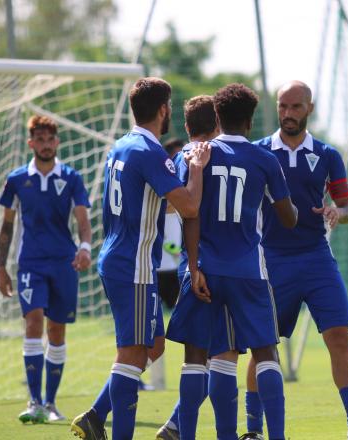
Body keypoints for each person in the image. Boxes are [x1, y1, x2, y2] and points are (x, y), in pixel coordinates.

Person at [242, 80, 348, 440]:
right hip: (272, 260)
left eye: (295, 107)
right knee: (263, 346)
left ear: (310, 107)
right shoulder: (259, 152)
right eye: (282, 107)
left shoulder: (327, 155)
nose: (288, 114)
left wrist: (339, 211)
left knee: (339, 336)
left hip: (317, 259)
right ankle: (253, 432)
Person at [70, 77, 210, 440]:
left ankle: (97, 415)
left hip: (123, 258)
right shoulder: (150, 152)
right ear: (163, 110)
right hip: (132, 266)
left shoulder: (121, 146)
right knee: (132, 354)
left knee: (154, 345)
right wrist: (196, 167)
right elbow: (190, 206)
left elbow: (144, 201)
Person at [165, 83, 298, 440]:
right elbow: (289, 218)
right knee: (265, 352)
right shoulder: (264, 159)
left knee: (197, 358)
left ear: (217, 117)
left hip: (204, 270)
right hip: (248, 272)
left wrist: (193, 267)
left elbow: (188, 214)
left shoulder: (195, 154)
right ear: (251, 120)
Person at [0, 115, 92, 424]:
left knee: (57, 330)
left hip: (63, 263)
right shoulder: (16, 179)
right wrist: (1, 267)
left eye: (51, 139)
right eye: (40, 139)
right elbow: (7, 227)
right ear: (31, 143)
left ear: (57, 143)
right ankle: (34, 402)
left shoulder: (72, 177)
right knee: (34, 321)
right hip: (30, 264)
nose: (46, 145)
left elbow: (83, 222)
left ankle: (51, 404)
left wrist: (85, 248)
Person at [155, 95, 224, 440]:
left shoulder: (178, 161)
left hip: (184, 267)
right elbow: (190, 210)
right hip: (219, 268)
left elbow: (171, 208)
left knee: (197, 356)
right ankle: (180, 426)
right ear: (218, 124)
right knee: (217, 358)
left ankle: (176, 425)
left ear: (186, 126)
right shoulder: (228, 156)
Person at [159, 138, 186, 309]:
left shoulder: (185, 191)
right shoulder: (162, 195)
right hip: (163, 268)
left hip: (179, 267)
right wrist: (178, 252)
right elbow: (160, 237)